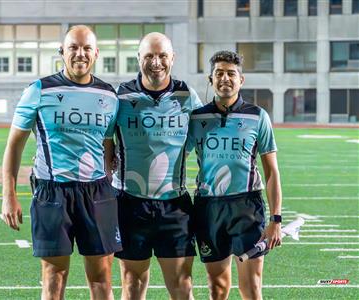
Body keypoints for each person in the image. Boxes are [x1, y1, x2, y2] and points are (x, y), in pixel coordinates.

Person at [1, 25, 121, 300]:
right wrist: (9, 196)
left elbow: (107, 142)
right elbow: (14, 145)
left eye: (86, 48)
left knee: (102, 278)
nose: (80, 54)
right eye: (73, 48)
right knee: (54, 277)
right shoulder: (39, 90)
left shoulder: (109, 96)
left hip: (97, 192)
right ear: (62, 52)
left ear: (96, 53)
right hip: (52, 192)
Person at [108, 32, 203, 300]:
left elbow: (206, 133)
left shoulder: (187, 95)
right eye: (149, 55)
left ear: (173, 58)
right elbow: (103, 135)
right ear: (139, 58)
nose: (156, 62)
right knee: (132, 282)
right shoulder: (122, 96)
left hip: (174, 203)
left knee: (182, 284)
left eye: (162, 55)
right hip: (130, 201)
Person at [186, 50, 282, 300]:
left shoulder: (257, 116)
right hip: (209, 208)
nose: (225, 78)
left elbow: (271, 172)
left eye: (231, 73)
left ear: (241, 79)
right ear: (211, 79)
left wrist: (276, 220)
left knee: (251, 287)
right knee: (217, 287)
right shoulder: (197, 118)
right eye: (219, 73)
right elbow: (174, 156)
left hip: (247, 208)